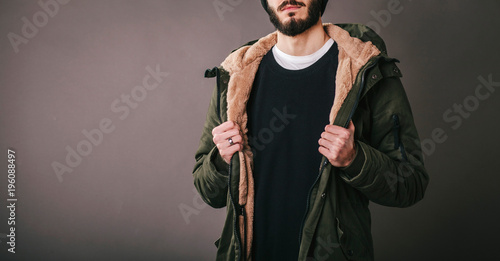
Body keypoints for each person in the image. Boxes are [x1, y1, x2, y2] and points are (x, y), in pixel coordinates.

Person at [193, 0, 429, 260]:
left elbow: (411, 184)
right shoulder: (237, 74)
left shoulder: (367, 69)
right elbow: (208, 192)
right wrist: (222, 160)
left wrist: (354, 159)